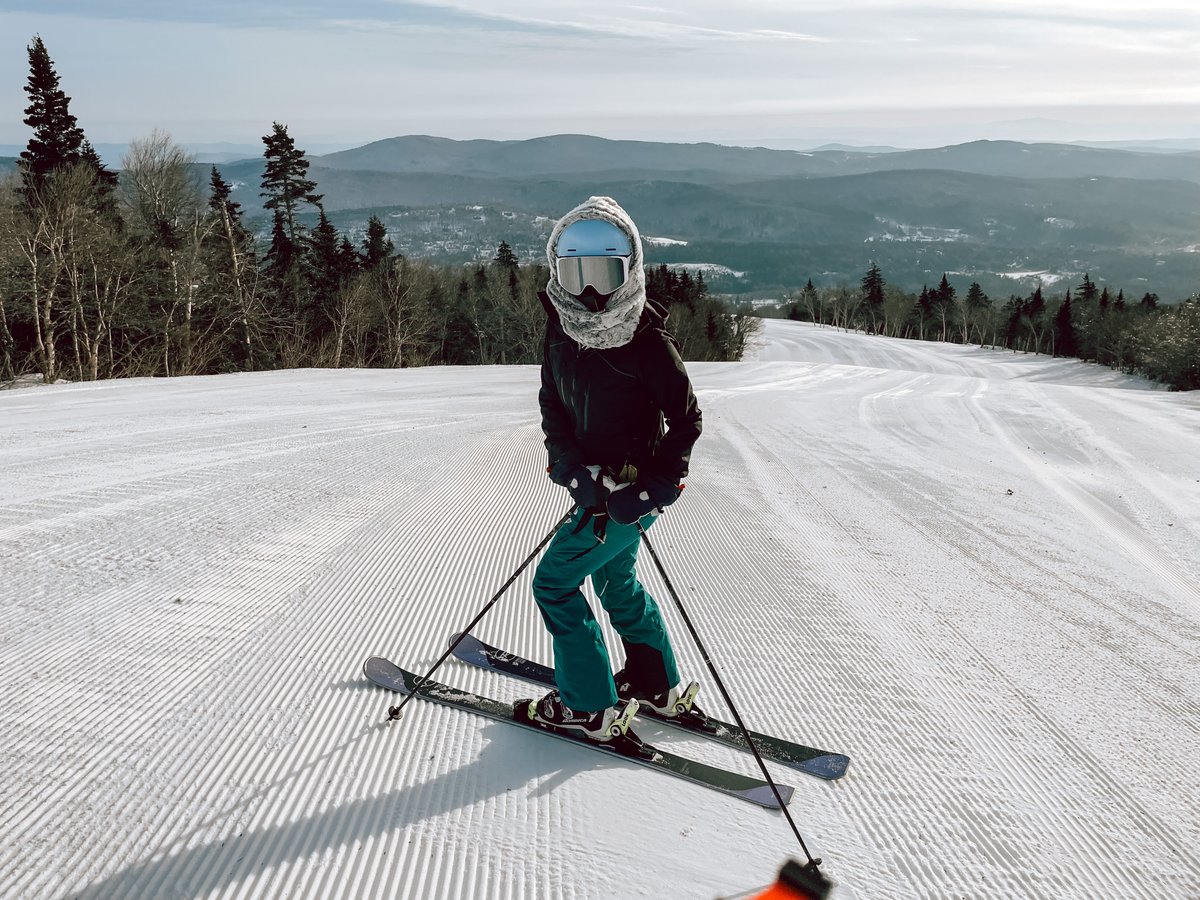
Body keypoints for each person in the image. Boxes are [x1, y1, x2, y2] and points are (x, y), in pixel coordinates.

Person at [525, 195, 704, 741]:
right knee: (615, 581)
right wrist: (573, 471)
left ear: (629, 271)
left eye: (604, 273)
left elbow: (688, 421)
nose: (590, 292)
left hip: (627, 498)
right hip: (596, 491)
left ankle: (589, 706)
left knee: (554, 585)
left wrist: (649, 492)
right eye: (574, 273)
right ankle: (655, 684)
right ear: (558, 270)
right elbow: (552, 407)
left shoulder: (647, 343)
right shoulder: (561, 329)